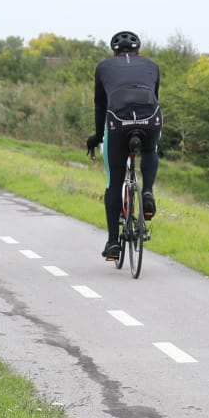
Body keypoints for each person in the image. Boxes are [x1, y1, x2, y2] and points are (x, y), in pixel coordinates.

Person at [85, 30, 162, 262]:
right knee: (150, 149)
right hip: (151, 118)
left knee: (114, 182)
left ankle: (112, 243)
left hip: (118, 120)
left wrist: (98, 136)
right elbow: (154, 95)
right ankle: (147, 191)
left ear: (113, 51)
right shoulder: (152, 65)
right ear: (139, 51)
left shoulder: (103, 67)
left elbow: (101, 106)